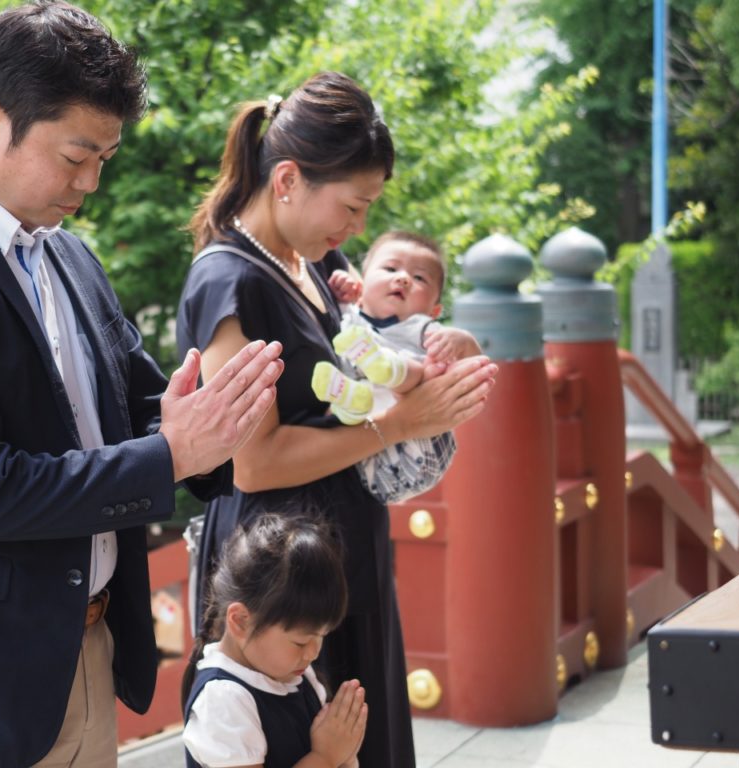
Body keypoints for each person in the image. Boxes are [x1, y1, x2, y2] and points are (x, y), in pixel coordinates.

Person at [0, 3, 282, 767]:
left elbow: (146, 411)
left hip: (86, 652)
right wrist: (170, 454)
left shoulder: (66, 255)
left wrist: (215, 424)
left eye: (104, 159)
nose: (92, 183)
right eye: (76, 157)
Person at [175, 71, 499, 767]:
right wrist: (399, 426)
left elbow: (393, 354)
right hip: (279, 577)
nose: (357, 228)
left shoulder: (319, 264)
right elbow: (253, 460)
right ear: (287, 178)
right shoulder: (228, 277)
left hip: (342, 552)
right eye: (352, 207)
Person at [182, 513, 365, 768]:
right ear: (241, 620)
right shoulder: (224, 700)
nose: (313, 652)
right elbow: (328, 755)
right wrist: (327, 756)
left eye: (321, 636)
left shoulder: (297, 676)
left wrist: (345, 751)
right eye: (300, 642)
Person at [312, 231, 483, 502]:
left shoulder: (423, 329)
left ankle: (389, 368)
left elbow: (473, 367)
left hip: (413, 453)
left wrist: (463, 341)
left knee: (423, 370)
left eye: (419, 278)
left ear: (434, 310)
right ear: (362, 283)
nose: (403, 278)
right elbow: (337, 298)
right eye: (390, 268)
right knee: (339, 397)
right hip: (363, 448)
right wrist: (340, 289)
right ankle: (350, 400)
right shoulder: (348, 315)